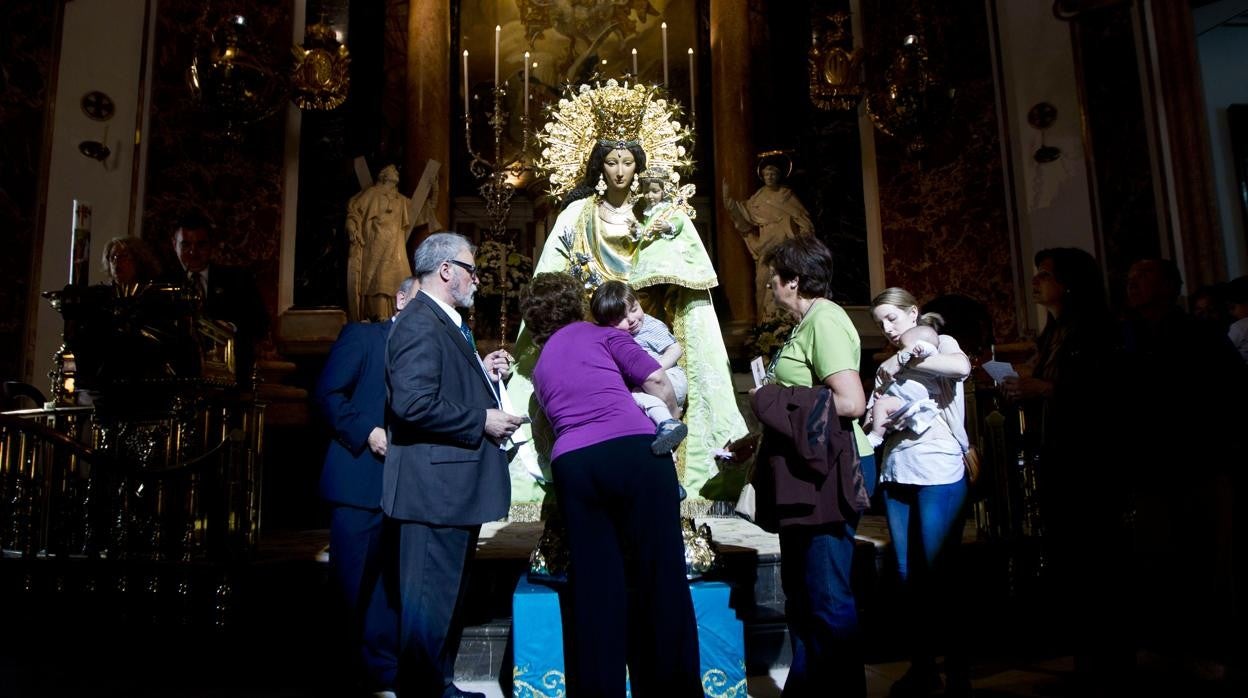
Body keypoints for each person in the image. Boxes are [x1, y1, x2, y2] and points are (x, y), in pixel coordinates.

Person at [510, 80, 747, 509]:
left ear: (639, 166)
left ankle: (666, 480)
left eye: (627, 162)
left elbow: (687, 271)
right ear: (599, 166)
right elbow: (550, 277)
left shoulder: (662, 215)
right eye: (611, 162)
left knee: (655, 401)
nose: (619, 171)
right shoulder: (576, 215)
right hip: (592, 332)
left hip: (647, 333)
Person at [520, 271, 701, 698]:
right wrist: (669, 425)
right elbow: (656, 379)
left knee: (596, 586)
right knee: (660, 576)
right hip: (633, 452)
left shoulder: (541, 363)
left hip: (575, 466)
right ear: (575, 304)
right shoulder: (601, 333)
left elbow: (548, 425)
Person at [382, 232, 521, 698]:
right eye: (471, 269)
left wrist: (482, 372)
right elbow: (414, 404)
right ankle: (424, 690)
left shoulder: (444, 322)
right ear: (446, 271)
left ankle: (437, 684)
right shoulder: (421, 322)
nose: (477, 280)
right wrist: (482, 419)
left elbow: (439, 387)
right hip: (432, 493)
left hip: (447, 491)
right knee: (426, 608)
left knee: (442, 604)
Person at [999, 247, 1130, 693]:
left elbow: (1109, 391)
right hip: (1059, 454)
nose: (1036, 281)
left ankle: (1107, 658)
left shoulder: (1097, 330)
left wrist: (1047, 387)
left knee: (1097, 558)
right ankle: (1085, 654)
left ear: (1070, 283)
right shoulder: (1055, 333)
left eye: (1045, 275)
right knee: (1072, 558)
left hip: (1091, 461)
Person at [749, 234, 872, 697]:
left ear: (793, 280)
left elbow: (850, 401)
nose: (768, 287)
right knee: (802, 595)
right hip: (804, 472)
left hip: (830, 471)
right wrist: (753, 436)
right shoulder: (803, 326)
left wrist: (772, 399)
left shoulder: (826, 320)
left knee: (826, 595)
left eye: (772, 279)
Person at [314, 276, 418, 698]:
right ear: (400, 299)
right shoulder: (363, 336)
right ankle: (339, 676)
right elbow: (327, 393)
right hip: (358, 481)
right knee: (350, 586)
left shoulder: (429, 350)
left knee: (387, 589)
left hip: (404, 488)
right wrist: (368, 432)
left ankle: (383, 674)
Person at [869, 288, 974, 698]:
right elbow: (877, 408)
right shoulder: (885, 363)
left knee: (936, 570)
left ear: (913, 313)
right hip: (898, 467)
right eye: (880, 323)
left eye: (893, 319)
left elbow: (962, 367)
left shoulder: (938, 341)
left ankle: (959, 665)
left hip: (937, 466)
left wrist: (903, 358)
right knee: (906, 572)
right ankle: (923, 666)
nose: (888, 329)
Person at [589, 280, 688, 455]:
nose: (632, 320)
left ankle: (670, 422)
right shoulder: (615, 337)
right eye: (620, 319)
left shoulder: (650, 327)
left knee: (635, 395)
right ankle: (668, 448)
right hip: (648, 392)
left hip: (670, 381)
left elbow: (675, 349)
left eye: (634, 309)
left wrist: (654, 369)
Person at [171, 213, 270, 387]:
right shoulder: (163, 283)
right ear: (174, 245)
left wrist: (229, 328)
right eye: (185, 245)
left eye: (201, 245)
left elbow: (259, 322)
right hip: (177, 380)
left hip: (229, 380)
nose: (193, 252)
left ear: (211, 246)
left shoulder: (238, 280)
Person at [722, 151, 814, 318]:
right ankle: (764, 323)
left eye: (773, 173)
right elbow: (743, 215)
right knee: (762, 282)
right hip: (766, 245)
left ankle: (788, 320)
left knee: (787, 282)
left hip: (786, 246)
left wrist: (800, 242)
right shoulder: (758, 199)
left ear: (779, 176)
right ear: (762, 177)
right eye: (766, 174)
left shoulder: (787, 196)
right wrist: (728, 200)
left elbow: (804, 221)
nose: (770, 177)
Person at [346, 164, 421, 322]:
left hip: (395, 247)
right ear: (384, 176)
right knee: (377, 279)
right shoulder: (372, 194)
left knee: (399, 278)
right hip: (376, 245)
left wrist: (434, 190)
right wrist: (352, 227)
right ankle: (378, 315)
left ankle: (399, 314)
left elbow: (423, 210)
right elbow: (354, 211)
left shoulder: (400, 200)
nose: (396, 172)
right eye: (392, 170)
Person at [863, 323, 943, 449]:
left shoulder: (926, 351)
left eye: (904, 346)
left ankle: (875, 437)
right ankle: (868, 433)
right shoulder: (905, 361)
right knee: (875, 409)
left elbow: (929, 348)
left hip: (910, 398)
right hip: (902, 395)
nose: (902, 349)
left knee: (880, 405)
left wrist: (917, 348)